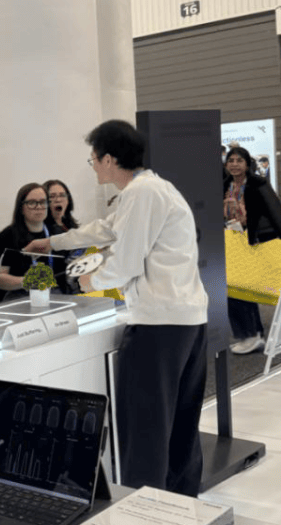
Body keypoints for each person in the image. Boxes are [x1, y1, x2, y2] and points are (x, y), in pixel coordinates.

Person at [24, 120, 208, 496]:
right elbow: (106, 229)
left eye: (93, 159)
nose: (92, 166)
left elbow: (125, 262)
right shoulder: (152, 189)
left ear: (109, 159)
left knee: (145, 428)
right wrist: (54, 242)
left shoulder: (142, 193)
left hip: (159, 326)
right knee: (180, 427)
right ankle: (182, 507)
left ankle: (146, 512)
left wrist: (88, 281)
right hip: (186, 322)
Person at [223, 146, 281, 354]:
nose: (234, 165)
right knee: (236, 289)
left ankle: (255, 335)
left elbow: (277, 213)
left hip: (259, 241)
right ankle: (250, 335)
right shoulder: (224, 185)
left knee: (268, 288)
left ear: (247, 164)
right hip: (234, 243)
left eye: (239, 161)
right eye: (231, 161)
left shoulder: (258, 184)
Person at [0, 183, 64, 303]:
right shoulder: (7, 236)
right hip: (20, 299)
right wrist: (27, 281)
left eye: (43, 202)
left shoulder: (57, 233)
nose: (39, 207)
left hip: (55, 297)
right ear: (21, 208)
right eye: (32, 203)